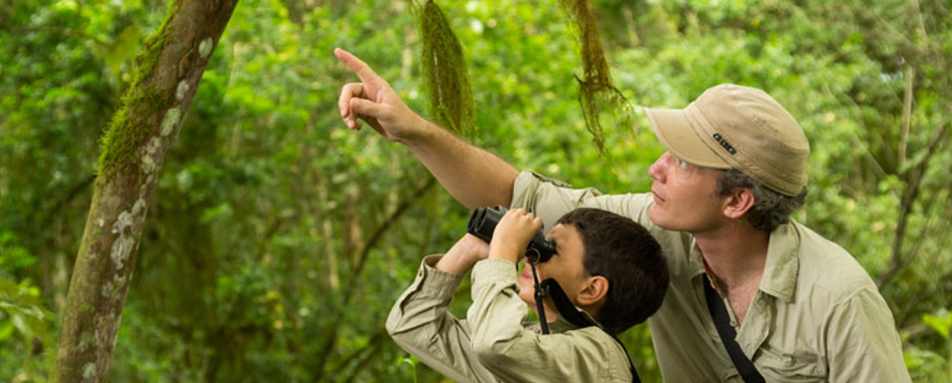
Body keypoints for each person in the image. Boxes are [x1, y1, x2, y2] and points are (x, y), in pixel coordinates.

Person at [334, 48, 912, 382]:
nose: (657, 169)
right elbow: (516, 194)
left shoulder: (838, 298)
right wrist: (413, 131)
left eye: (684, 162)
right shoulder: (655, 228)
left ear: (737, 201)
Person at [386, 207, 669, 382]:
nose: (532, 256)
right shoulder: (534, 341)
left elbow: (496, 344)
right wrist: (468, 249)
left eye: (550, 250)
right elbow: (412, 324)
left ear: (590, 289)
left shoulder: (599, 356)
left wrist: (503, 255)